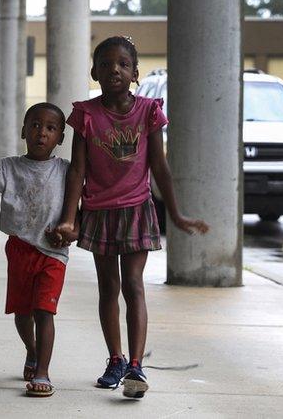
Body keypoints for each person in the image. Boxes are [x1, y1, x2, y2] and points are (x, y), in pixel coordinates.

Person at [52, 36, 209, 399]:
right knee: (108, 288)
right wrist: (68, 219)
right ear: (95, 72)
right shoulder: (86, 115)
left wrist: (177, 213)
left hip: (137, 209)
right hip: (99, 211)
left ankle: (136, 365)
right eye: (106, 64)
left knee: (133, 285)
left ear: (135, 73)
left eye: (123, 64)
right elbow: (77, 170)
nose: (114, 70)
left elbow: (160, 167)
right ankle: (115, 359)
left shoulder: (149, 111)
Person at [0, 103, 70, 398]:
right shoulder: (9, 167)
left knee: (45, 310)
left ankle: (43, 372)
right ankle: (31, 351)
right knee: (23, 313)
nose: (41, 133)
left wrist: (71, 232)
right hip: (19, 249)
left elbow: (78, 211)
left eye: (50, 128)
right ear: (23, 131)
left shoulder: (65, 171)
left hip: (51, 253)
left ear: (60, 137)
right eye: (34, 125)